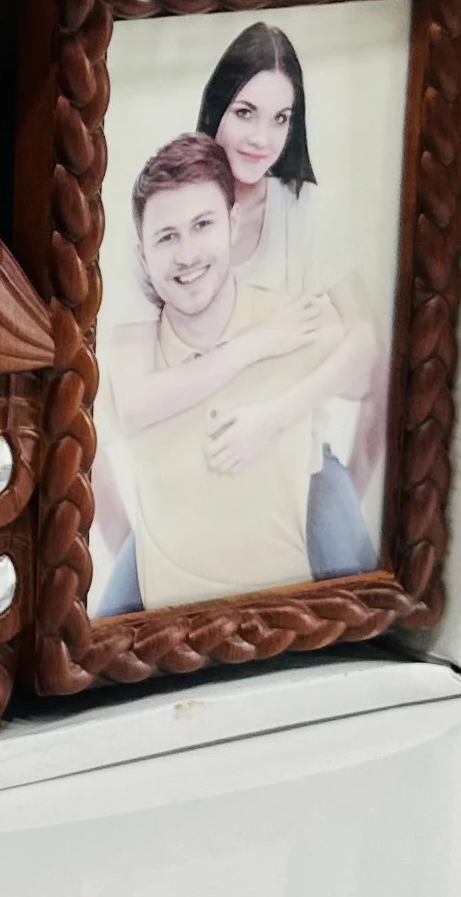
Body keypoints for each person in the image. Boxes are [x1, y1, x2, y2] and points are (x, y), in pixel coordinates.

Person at [91, 133, 378, 616]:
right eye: (166, 236)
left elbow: (367, 366)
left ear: (233, 224)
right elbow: (90, 450)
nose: (186, 253)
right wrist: (132, 558)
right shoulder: (130, 355)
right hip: (169, 630)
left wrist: (284, 418)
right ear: (142, 255)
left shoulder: (290, 320)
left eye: (202, 225)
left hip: (284, 621)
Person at [195, 20, 386, 567]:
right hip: (199, 473)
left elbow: (366, 342)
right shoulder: (180, 204)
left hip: (300, 464)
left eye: (281, 118)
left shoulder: (302, 209)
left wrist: (273, 416)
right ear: (217, 109)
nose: (262, 138)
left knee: (352, 573)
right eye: (246, 112)